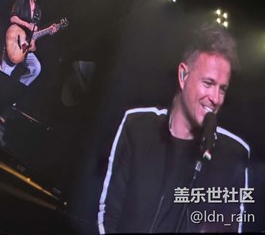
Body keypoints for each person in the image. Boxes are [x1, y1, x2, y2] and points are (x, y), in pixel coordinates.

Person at [98, 24, 250, 233]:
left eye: (222, 89)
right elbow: (108, 215)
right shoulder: (138, 127)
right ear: (183, 75)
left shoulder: (232, 155)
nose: (215, 98)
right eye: (208, 83)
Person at [0, 0, 58, 86]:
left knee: (36, 67)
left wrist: (49, 31)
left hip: (25, 48)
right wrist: (27, 25)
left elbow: (34, 33)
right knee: (4, 73)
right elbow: (13, 18)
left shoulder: (38, 11)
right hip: (15, 42)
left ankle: (19, 86)